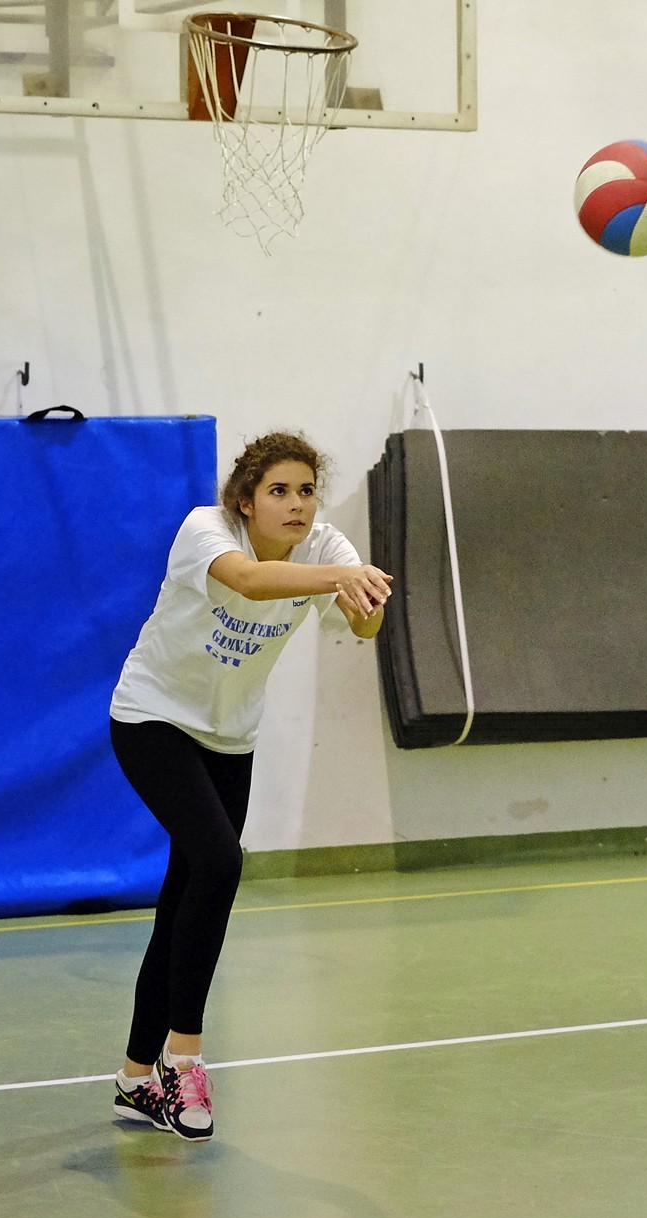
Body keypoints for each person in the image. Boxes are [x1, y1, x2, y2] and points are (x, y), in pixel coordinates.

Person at [106, 431, 392, 1141]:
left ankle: (136, 1080)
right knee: (220, 862)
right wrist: (338, 579)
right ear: (245, 501)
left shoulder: (324, 548)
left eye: (307, 491)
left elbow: (363, 629)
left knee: (183, 901)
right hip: (153, 718)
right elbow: (251, 581)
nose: (297, 505)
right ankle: (185, 1059)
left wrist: (368, 600)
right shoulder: (206, 530)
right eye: (279, 491)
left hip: (230, 737)